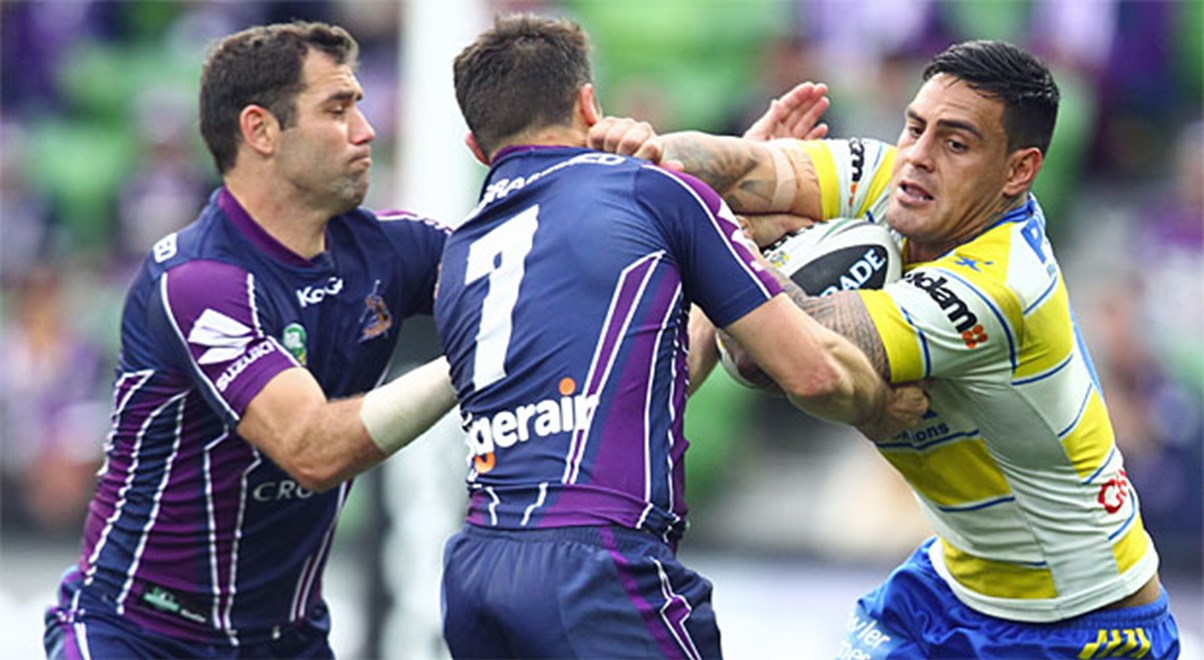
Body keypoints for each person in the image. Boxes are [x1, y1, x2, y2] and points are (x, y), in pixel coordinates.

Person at [591, 39, 1181, 658]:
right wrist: (643, 156)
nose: (918, 157)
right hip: (952, 585)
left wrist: (726, 229)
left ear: (1018, 171)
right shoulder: (896, 179)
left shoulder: (1002, 287)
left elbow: (779, 347)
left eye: (956, 144)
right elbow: (734, 167)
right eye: (915, 127)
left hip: (1082, 623)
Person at [435, 14, 927, 659]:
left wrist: (719, 232)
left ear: (476, 147)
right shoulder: (652, 194)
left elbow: (646, 375)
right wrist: (888, 404)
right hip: (598, 564)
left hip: (477, 567)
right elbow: (814, 374)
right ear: (589, 105)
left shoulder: (462, 251)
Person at [43, 21, 458, 658]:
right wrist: (468, 363)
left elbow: (536, 270)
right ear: (260, 130)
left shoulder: (390, 250)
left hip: (286, 640)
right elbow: (310, 450)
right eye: (337, 109)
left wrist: (618, 167)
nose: (365, 130)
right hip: (139, 634)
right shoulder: (199, 281)